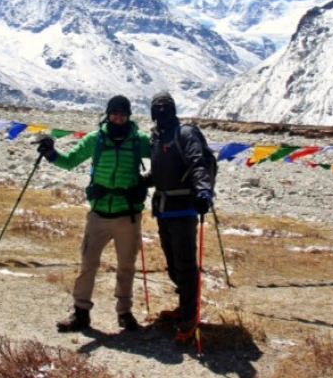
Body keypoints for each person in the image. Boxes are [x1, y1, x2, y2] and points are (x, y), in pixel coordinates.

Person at [36, 95, 151, 333]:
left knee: (126, 266)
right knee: (88, 264)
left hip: (128, 214)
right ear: (107, 114)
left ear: (129, 116)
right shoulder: (94, 140)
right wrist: (51, 154)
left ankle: (125, 313)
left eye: (123, 114)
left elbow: (162, 155)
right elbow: (70, 161)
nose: (118, 117)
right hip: (99, 213)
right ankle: (81, 313)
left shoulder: (139, 141)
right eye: (115, 113)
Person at [145, 91, 214, 343]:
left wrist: (204, 190)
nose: (161, 112)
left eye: (165, 107)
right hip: (163, 209)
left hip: (184, 208)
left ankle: (189, 316)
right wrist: (143, 181)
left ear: (173, 110)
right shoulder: (158, 137)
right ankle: (185, 305)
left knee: (185, 264)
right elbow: (163, 171)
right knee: (173, 263)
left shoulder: (185, 134)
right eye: (157, 108)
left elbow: (197, 163)